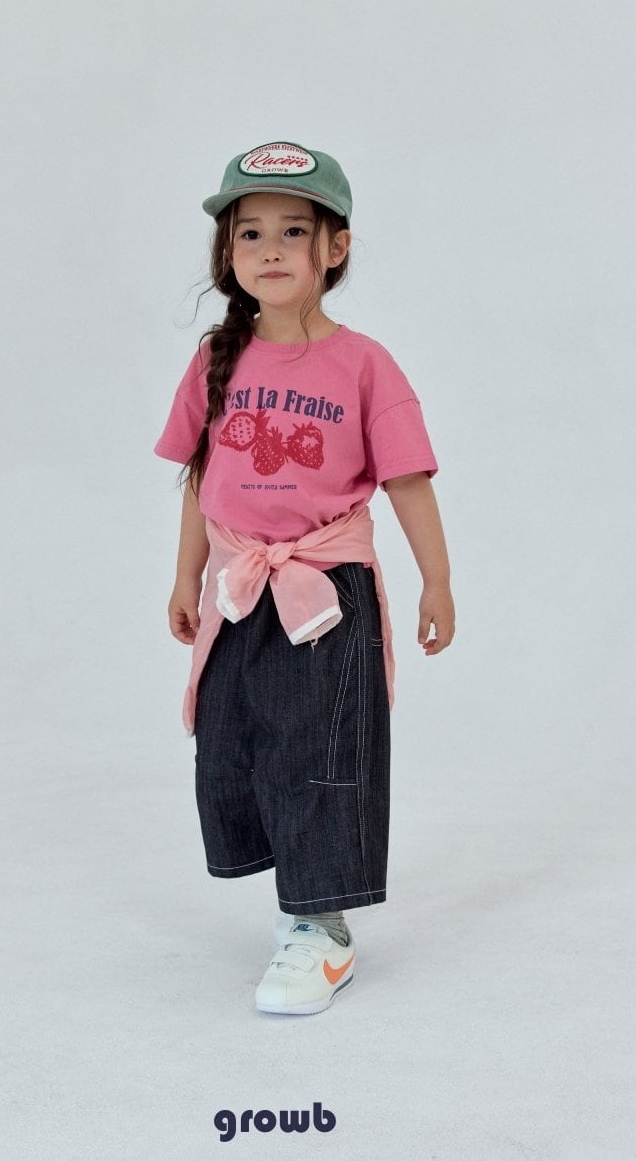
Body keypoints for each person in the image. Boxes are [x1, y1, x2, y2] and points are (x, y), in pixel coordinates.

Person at [154, 140, 455, 1016]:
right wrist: (186, 575)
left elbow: (408, 480)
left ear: (336, 246)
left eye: (294, 230)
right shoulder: (218, 358)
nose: (272, 249)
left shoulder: (365, 364)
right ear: (229, 252)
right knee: (236, 743)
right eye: (250, 233)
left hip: (326, 590)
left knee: (320, 752)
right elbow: (200, 478)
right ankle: (295, 894)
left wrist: (437, 581)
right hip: (241, 585)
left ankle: (323, 927)